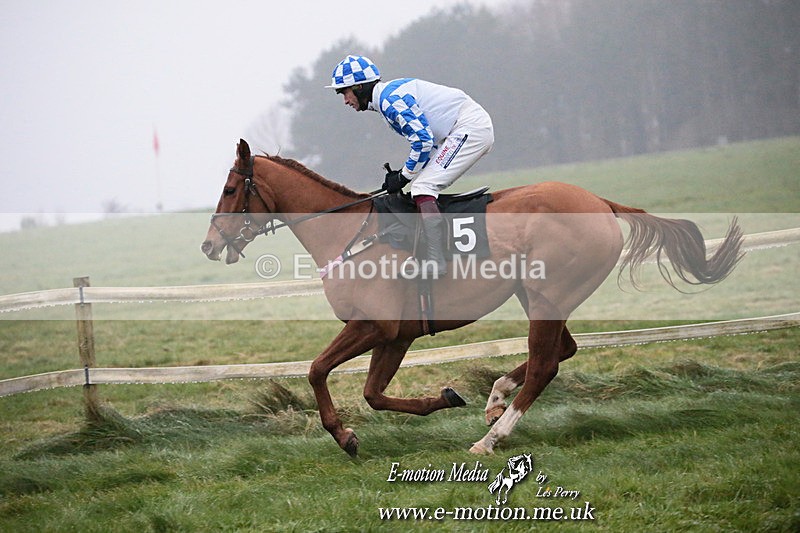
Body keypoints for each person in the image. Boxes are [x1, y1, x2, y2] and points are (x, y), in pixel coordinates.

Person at [326, 54, 494, 278]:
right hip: (454, 131)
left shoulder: (389, 100)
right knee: (421, 184)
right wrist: (403, 174)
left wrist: (403, 176)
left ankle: (436, 261)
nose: (346, 100)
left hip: (468, 128)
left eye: (344, 92)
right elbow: (426, 141)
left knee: (423, 187)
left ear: (358, 86)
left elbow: (423, 141)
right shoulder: (386, 99)